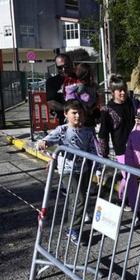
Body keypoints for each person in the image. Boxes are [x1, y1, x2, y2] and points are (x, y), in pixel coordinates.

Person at [35, 100, 103, 244]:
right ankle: (74, 230)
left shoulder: (88, 131)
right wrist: (43, 143)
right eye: (74, 113)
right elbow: (45, 141)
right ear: (66, 114)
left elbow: (94, 151)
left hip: (84, 169)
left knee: (79, 200)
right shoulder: (62, 130)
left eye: (80, 113)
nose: (77, 116)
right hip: (68, 170)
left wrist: (98, 169)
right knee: (78, 200)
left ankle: (70, 227)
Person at [98, 75, 137, 162]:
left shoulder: (131, 103)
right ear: (113, 92)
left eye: (124, 90)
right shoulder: (107, 110)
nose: (123, 92)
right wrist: (104, 154)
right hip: (122, 149)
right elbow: (103, 133)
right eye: (120, 90)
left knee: (139, 173)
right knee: (127, 174)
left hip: (136, 145)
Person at [63, 63, 99, 128]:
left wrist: (91, 109)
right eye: (88, 76)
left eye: (92, 75)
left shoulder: (91, 87)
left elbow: (96, 101)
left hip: (88, 119)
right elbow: (72, 105)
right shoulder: (77, 88)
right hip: (77, 120)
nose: (91, 78)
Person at [45, 54, 73, 125]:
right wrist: (70, 110)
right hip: (64, 121)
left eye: (66, 66)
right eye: (60, 67)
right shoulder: (52, 81)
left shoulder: (79, 78)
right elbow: (51, 102)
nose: (63, 69)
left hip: (84, 122)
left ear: (71, 64)